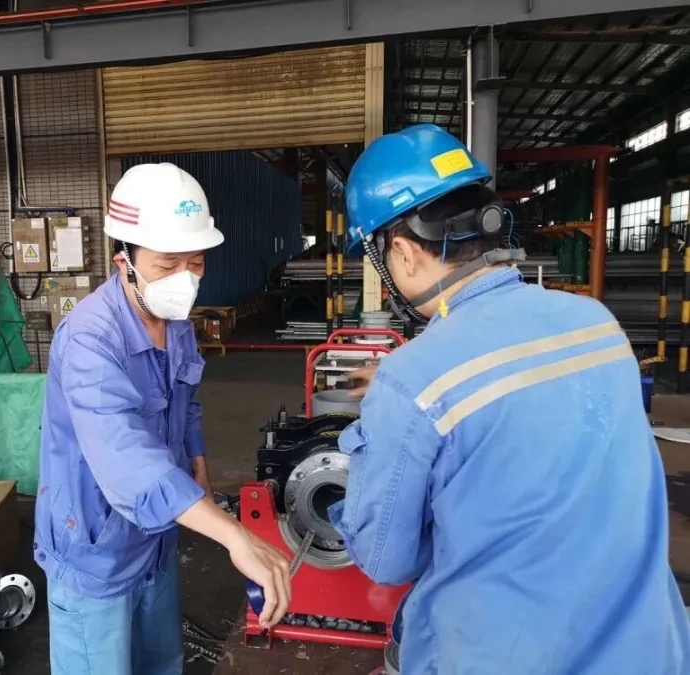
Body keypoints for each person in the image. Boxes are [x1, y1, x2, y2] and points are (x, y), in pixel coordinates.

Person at [330, 124, 690, 674]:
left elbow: (385, 559)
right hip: (649, 650)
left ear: (401, 252)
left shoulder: (415, 377)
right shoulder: (596, 323)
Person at [34, 163, 291, 675]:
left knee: (160, 662)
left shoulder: (175, 323)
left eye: (195, 262)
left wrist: (198, 467)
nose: (183, 279)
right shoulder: (90, 339)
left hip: (157, 534)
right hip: (96, 543)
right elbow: (126, 460)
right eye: (166, 264)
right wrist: (235, 535)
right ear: (124, 261)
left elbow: (185, 402)